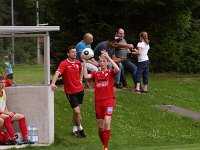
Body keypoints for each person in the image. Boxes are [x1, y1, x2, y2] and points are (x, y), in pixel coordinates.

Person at [83, 50, 120, 150]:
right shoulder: (95, 73)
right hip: (98, 101)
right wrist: (85, 63)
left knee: (107, 122)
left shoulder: (110, 72)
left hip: (109, 101)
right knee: (100, 127)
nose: (102, 63)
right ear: (99, 63)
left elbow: (117, 69)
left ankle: (105, 147)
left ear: (107, 63)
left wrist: (108, 57)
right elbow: (86, 77)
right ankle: (104, 143)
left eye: (104, 61)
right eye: (101, 61)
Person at [50, 46, 86, 138]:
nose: (75, 53)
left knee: (76, 112)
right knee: (77, 112)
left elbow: (81, 69)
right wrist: (53, 83)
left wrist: (81, 79)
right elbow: (57, 73)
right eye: (72, 52)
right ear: (68, 53)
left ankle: (74, 130)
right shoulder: (64, 63)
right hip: (71, 92)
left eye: (75, 51)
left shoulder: (78, 62)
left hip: (80, 90)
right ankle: (80, 129)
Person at [0, 75, 34, 145]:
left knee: (21, 116)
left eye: (4, 82)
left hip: (4, 113)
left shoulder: (3, 91)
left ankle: (25, 138)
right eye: (1, 82)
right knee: (6, 117)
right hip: (1, 113)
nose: (3, 84)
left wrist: (8, 112)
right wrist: (7, 114)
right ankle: (13, 139)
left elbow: (4, 105)